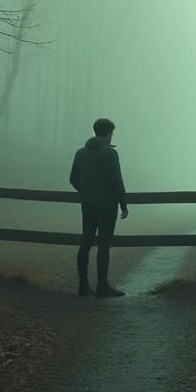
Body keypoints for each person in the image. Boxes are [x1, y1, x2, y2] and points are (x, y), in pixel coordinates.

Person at [69, 118, 129, 298]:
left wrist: (86, 192)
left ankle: (83, 285)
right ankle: (102, 286)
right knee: (104, 245)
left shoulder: (80, 153)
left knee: (85, 243)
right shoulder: (110, 153)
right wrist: (123, 204)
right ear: (108, 133)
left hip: (88, 204)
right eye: (112, 133)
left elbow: (73, 179)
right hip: (107, 205)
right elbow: (116, 180)